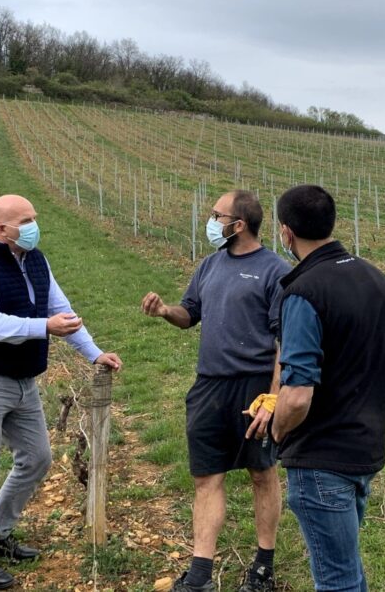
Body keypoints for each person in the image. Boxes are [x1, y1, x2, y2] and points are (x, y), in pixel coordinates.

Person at [0, 194, 122, 590]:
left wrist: (95, 354)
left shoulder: (37, 261)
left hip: (24, 381)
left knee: (38, 458)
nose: (34, 226)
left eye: (34, 218)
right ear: (1, 230)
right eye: (26, 220)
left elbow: (63, 311)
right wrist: (43, 327)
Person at [141, 190, 291, 592]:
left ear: (238, 225)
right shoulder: (209, 265)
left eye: (216, 215)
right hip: (209, 385)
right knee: (207, 477)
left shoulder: (275, 271)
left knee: (262, 473)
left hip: (255, 387)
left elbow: (283, 342)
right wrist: (165, 311)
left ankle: (263, 566)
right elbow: (190, 314)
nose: (211, 221)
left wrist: (274, 397)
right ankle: (201, 574)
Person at [271, 185, 385, 592]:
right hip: (365, 449)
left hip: (320, 458)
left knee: (337, 580)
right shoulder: (375, 278)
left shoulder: (303, 292)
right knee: (345, 569)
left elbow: (296, 395)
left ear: (286, 233)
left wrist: (278, 429)